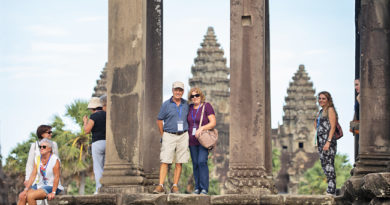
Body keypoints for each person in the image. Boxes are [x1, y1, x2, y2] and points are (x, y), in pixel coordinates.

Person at [153, 81, 190, 194]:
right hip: (169, 134)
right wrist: (163, 134)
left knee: (180, 161)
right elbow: (159, 120)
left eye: (180, 90)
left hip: (183, 134)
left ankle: (175, 186)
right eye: (176, 90)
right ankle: (160, 185)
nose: (178, 92)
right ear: (173, 91)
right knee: (165, 160)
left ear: (183, 92)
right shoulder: (166, 104)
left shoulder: (186, 104)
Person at [187, 87, 216, 195]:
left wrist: (201, 128)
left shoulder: (206, 106)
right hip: (192, 141)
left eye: (197, 95)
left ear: (201, 96)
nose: (195, 98)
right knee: (195, 164)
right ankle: (197, 188)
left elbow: (213, 122)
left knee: (201, 162)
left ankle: (204, 188)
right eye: (192, 96)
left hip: (203, 140)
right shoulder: (189, 108)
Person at [18, 138, 63, 205]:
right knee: (22, 196)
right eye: (40, 147)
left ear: (49, 149)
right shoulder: (38, 158)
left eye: (44, 147)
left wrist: (53, 192)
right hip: (40, 185)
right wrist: (26, 189)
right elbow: (33, 174)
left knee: (31, 196)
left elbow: (57, 176)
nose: (41, 148)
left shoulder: (54, 160)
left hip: (52, 185)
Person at [314, 91, 338, 195]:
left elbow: (333, 126)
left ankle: (331, 189)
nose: (321, 100)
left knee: (329, 163)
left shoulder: (330, 110)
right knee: (324, 163)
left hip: (328, 141)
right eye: (319, 98)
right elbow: (317, 126)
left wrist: (328, 141)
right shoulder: (320, 112)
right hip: (321, 141)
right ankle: (330, 186)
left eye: (323, 98)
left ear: (328, 100)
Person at [83, 97, 106, 194]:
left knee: (98, 168)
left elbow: (87, 131)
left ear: (92, 108)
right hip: (108, 143)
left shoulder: (94, 116)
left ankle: (99, 189)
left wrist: (85, 122)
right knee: (107, 167)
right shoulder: (107, 115)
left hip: (97, 143)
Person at [350, 79, 360, 161]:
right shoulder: (359, 96)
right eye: (355, 85)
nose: (355, 87)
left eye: (357, 84)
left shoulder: (361, 97)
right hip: (359, 128)